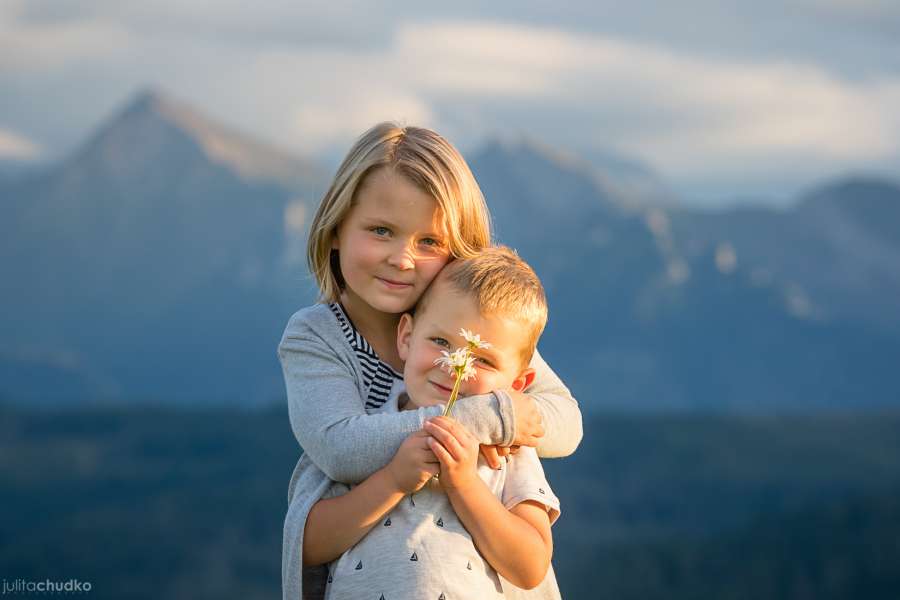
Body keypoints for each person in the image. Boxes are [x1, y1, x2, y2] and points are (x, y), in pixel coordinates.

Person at [279, 122, 582, 600]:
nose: (402, 259)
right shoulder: (319, 335)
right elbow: (340, 446)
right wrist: (481, 418)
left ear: (460, 250)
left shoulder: (474, 334)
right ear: (335, 229)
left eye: (429, 243)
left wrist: (500, 416)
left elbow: (564, 420)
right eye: (381, 230)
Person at [304, 246, 561, 599]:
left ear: (516, 385)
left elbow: (530, 565)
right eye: (440, 341)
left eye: (482, 359)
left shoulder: (505, 450)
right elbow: (311, 546)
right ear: (406, 337)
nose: (454, 364)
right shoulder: (366, 430)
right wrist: (393, 480)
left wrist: (465, 486)